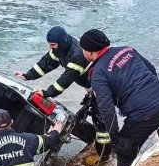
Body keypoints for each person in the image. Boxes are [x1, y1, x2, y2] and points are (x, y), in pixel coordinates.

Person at [79, 29, 159, 166]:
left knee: (124, 150)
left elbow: (106, 108)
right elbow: (152, 69)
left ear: (89, 52)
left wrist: (114, 137)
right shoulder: (127, 50)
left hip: (145, 116)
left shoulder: (98, 73)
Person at [14, 26, 108, 158]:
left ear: (61, 42)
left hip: (102, 88)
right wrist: (27, 75)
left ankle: (105, 153)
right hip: (92, 88)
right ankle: (102, 146)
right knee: (95, 118)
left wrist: (46, 93)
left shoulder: (78, 54)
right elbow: (45, 64)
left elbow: (64, 81)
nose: (51, 48)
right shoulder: (60, 49)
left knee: (101, 122)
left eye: (53, 45)